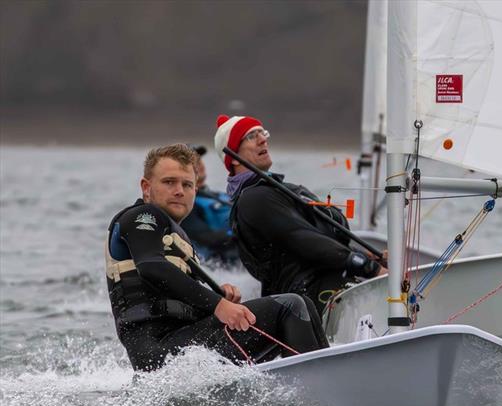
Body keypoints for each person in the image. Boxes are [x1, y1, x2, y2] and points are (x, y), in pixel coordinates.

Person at [105, 143, 328, 372]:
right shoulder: (142, 216)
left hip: (182, 345)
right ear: (146, 187)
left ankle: (324, 376)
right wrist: (219, 305)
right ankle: (321, 387)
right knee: (290, 307)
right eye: (169, 182)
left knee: (305, 306)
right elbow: (152, 267)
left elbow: (173, 298)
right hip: (161, 353)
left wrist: (217, 299)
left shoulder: (174, 235)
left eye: (187, 184)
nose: (179, 190)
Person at [215, 114, 386, 314]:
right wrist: (369, 268)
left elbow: (328, 234)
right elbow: (303, 239)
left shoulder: (287, 189)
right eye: (252, 136)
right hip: (307, 298)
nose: (263, 139)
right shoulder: (254, 199)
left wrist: (369, 256)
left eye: (262, 132)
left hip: (330, 283)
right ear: (233, 157)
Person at [179, 144, 240, 265]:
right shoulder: (186, 204)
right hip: (223, 263)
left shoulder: (222, 196)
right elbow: (206, 237)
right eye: (192, 161)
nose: (199, 163)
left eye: (199, 159)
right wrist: (242, 232)